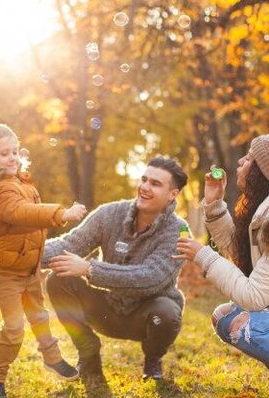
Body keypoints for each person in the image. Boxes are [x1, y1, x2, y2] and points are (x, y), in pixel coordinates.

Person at [0, 121, 87, 398]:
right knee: (15, 328)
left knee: (39, 315)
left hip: (27, 265)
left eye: (15, 151)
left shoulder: (12, 179)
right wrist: (61, 214)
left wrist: (17, 162)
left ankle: (51, 357)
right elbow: (20, 212)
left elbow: (20, 187)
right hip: (6, 271)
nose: (13, 158)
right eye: (5, 153)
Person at [42, 157, 188, 384]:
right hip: (105, 311)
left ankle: (153, 358)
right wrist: (20, 253)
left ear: (173, 194)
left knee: (167, 313)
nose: (145, 187)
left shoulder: (180, 231)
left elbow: (151, 278)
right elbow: (69, 244)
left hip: (146, 317)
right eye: (144, 180)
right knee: (58, 279)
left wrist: (90, 269)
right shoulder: (109, 213)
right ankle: (88, 354)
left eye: (156, 184)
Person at [174, 135, 269, 367]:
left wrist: (203, 255)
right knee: (225, 316)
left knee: (245, 326)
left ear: (262, 173)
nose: (239, 163)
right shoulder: (262, 211)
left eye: (248, 159)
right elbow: (240, 256)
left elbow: (254, 297)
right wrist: (214, 205)